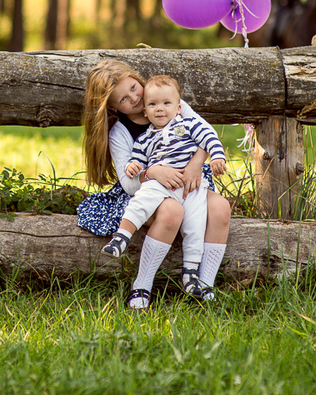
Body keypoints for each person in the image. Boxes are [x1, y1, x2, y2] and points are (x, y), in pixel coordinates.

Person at [78, 60, 232, 310]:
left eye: (133, 88)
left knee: (221, 208)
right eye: (124, 99)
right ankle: (142, 285)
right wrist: (154, 172)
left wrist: (196, 163)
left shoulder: (169, 101)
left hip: (188, 180)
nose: (134, 98)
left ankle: (204, 284)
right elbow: (129, 184)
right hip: (145, 191)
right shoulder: (121, 133)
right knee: (172, 211)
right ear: (114, 108)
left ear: (137, 79)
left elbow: (205, 132)